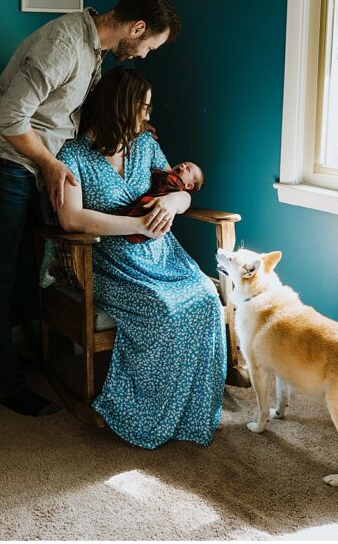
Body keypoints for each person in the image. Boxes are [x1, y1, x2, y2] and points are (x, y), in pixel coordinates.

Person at [0, 0, 181, 417]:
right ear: (136, 28)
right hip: (4, 162)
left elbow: (71, 116)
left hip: (34, 162)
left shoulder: (96, 53)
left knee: (29, 265)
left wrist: (134, 127)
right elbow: (10, 117)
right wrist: (49, 164)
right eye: (148, 46)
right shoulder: (64, 44)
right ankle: (8, 385)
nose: (143, 55)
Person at [56, 67, 226, 448]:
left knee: (206, 297)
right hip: (111, 262)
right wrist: (135, 226)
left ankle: (193, 408)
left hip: (163, 257)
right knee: (164, 310)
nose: (148, 115)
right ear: (121, 106)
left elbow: (181, 190)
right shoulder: (74, 155)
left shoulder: (145, 147)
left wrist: (173, 200)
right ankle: (143, 413)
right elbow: (71, 217)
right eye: (143, 107)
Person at [120, 161, 204, 244]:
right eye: (184, 163)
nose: (183, 165)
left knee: (144, 214)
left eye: (187, 169)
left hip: (149, 212)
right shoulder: (173, 183)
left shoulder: (173, 183)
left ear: (188, 185)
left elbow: (160, 178)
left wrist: (155, 172)